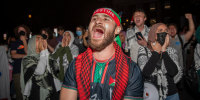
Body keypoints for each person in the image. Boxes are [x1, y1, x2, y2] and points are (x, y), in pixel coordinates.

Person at [60, 8, 143, 100]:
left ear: (117, 29)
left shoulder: (131, 70)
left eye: (106, 19)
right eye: (94, 19)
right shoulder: (75, 65)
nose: (98, 21)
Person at [138, 23, 182, 100]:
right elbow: (146, 72)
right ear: (153, 34)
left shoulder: (172, 51)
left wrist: (164, 51)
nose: (164, 33)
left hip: (171, 94)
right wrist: (156, 52)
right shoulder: (143, 50)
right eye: (160, 30)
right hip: (151, 94)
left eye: (166, 31)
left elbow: (173, 72)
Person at [20, 35, 61, 100]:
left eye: (42, 39)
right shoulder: (27, 59)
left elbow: (54, 70)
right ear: (32, 43)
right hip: (36, 91)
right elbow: (40, 71)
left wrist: (45, 51)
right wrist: (43, 52)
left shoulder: (46, 54)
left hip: (52, 89)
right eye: (38, 39)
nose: (41, 40)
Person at [10, 25, 29, 100]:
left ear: (26, 31)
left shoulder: (30, 41)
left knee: (29, 92)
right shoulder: (15, 43)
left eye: (22, 30)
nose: (21, 31)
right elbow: (13, 55)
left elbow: (28, 52)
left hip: (28, 70)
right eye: (19, 30)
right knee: (19, 93)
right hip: (17, 71)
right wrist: (24, 56)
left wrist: (24, 41)